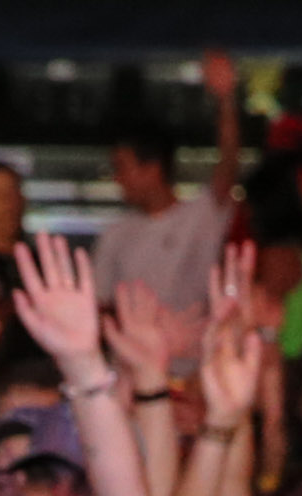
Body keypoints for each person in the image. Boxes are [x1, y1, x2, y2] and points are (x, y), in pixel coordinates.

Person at [91, 55, 239, 317]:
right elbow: (101, 306)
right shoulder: (114, 235)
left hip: (193, 356)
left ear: (152, 168)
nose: (117, 178)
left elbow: (228, 166)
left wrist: (225, 100)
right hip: (131, 356)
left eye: (122, 167)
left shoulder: (200, 216)